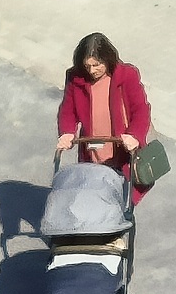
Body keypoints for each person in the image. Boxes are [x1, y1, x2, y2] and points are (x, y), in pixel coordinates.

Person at [56, 32, 154, 202]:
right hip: (93, 152)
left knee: (120, 201)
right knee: (92, 197)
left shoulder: (127, 76)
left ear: (108, 58)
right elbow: (68, 110)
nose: (92, 71)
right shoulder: (75, 78)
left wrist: (134, 136)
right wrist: (67, 132)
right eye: (87, 66)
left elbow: (141, 110)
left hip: (121, 151)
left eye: (97, 65)